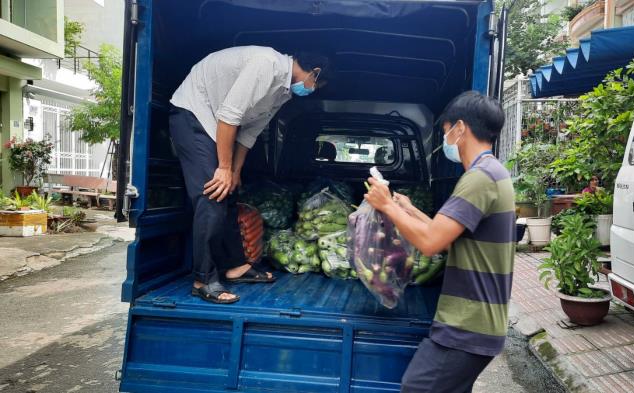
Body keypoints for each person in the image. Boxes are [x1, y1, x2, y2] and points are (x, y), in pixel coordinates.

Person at [364, 91, 515, 393]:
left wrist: (387, 206)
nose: (445, 140)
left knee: (417, 387)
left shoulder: (479, 178)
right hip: (477, 321)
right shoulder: (492, 172)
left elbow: (431, 244)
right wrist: (409, 209)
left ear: (460, 128)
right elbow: (448, 239)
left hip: (468, 324)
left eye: (445, 131)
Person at [169, 46, 330, 304]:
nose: (312, 90)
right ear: (315, 72)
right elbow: (230, 116)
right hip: (194, 114)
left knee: (229, 189)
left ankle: (235, 267)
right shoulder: (266, 65)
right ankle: (203, 280)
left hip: (217, 122)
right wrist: (223, 168)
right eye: (316, 85)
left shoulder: (284, 91)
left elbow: (249, 133)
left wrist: (234, 171)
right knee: (213, 195)